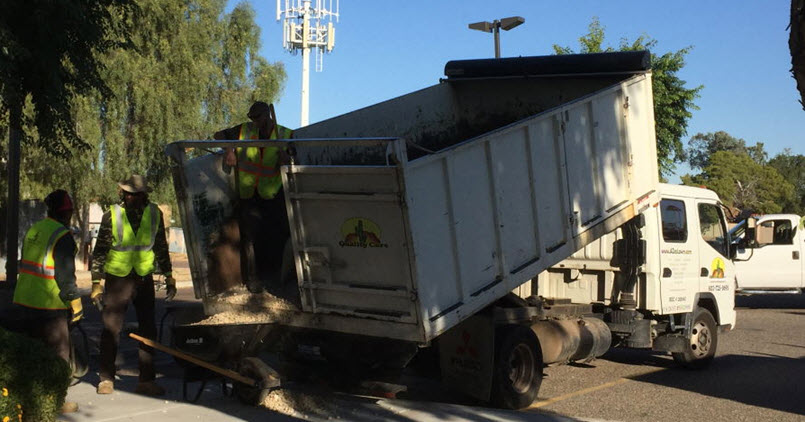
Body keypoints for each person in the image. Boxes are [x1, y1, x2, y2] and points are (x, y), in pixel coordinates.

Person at [90, 175, 176, 396]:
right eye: (128, 193)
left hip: (144, 277)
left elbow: (161, 246)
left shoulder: (155, 213)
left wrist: (169, 275)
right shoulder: (112, 215)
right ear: (122, 193)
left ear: (144, 194)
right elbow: (100, 250)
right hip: (118, 277)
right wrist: (96, 282)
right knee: (111, 328)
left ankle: (146, 380)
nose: (131, 197)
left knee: (148, 328)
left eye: (136, 194)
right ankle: (106, 379)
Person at [13, 189, 82, 414]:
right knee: (59, 355)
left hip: (24, 300)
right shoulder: (62, 235)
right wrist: (76, 305)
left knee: (29, 353)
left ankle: (27, 399)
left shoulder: (36, 229)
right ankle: (57, 401)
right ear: (68, 212)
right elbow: (64, 275)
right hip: (49, 305)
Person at [214, 101, 294, 293]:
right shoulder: (244, 131)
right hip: (249, 194)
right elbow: (218, 135)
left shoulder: (285, 134)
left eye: (257, 117)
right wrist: (229, 150)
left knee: (279, 236)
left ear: (268, 115)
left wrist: (287, 159)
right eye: (251, 117)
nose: (254, 121)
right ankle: (253, 279)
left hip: (273, 194)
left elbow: (294, 160)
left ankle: (278, 278)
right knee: (249, 238)